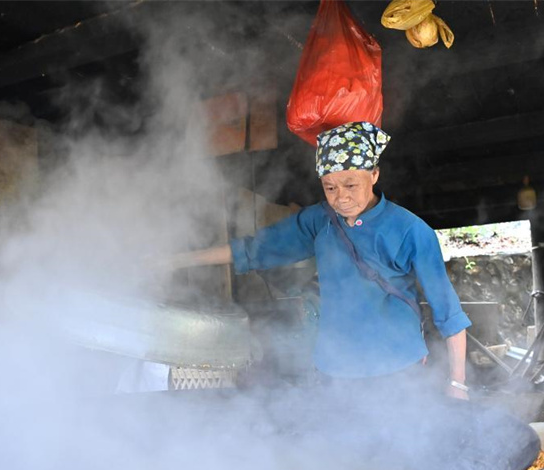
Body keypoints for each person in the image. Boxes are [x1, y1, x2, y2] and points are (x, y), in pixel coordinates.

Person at [166, 122, 471, 399]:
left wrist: (457, 384)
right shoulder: (319, 221)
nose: (340, 197)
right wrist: (177, 260)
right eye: (330, 187)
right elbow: (253, 249)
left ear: (375, 174)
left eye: (351, 185)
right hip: (334, 371)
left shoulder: (411, 231)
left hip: (397, 369)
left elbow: (449, 314)